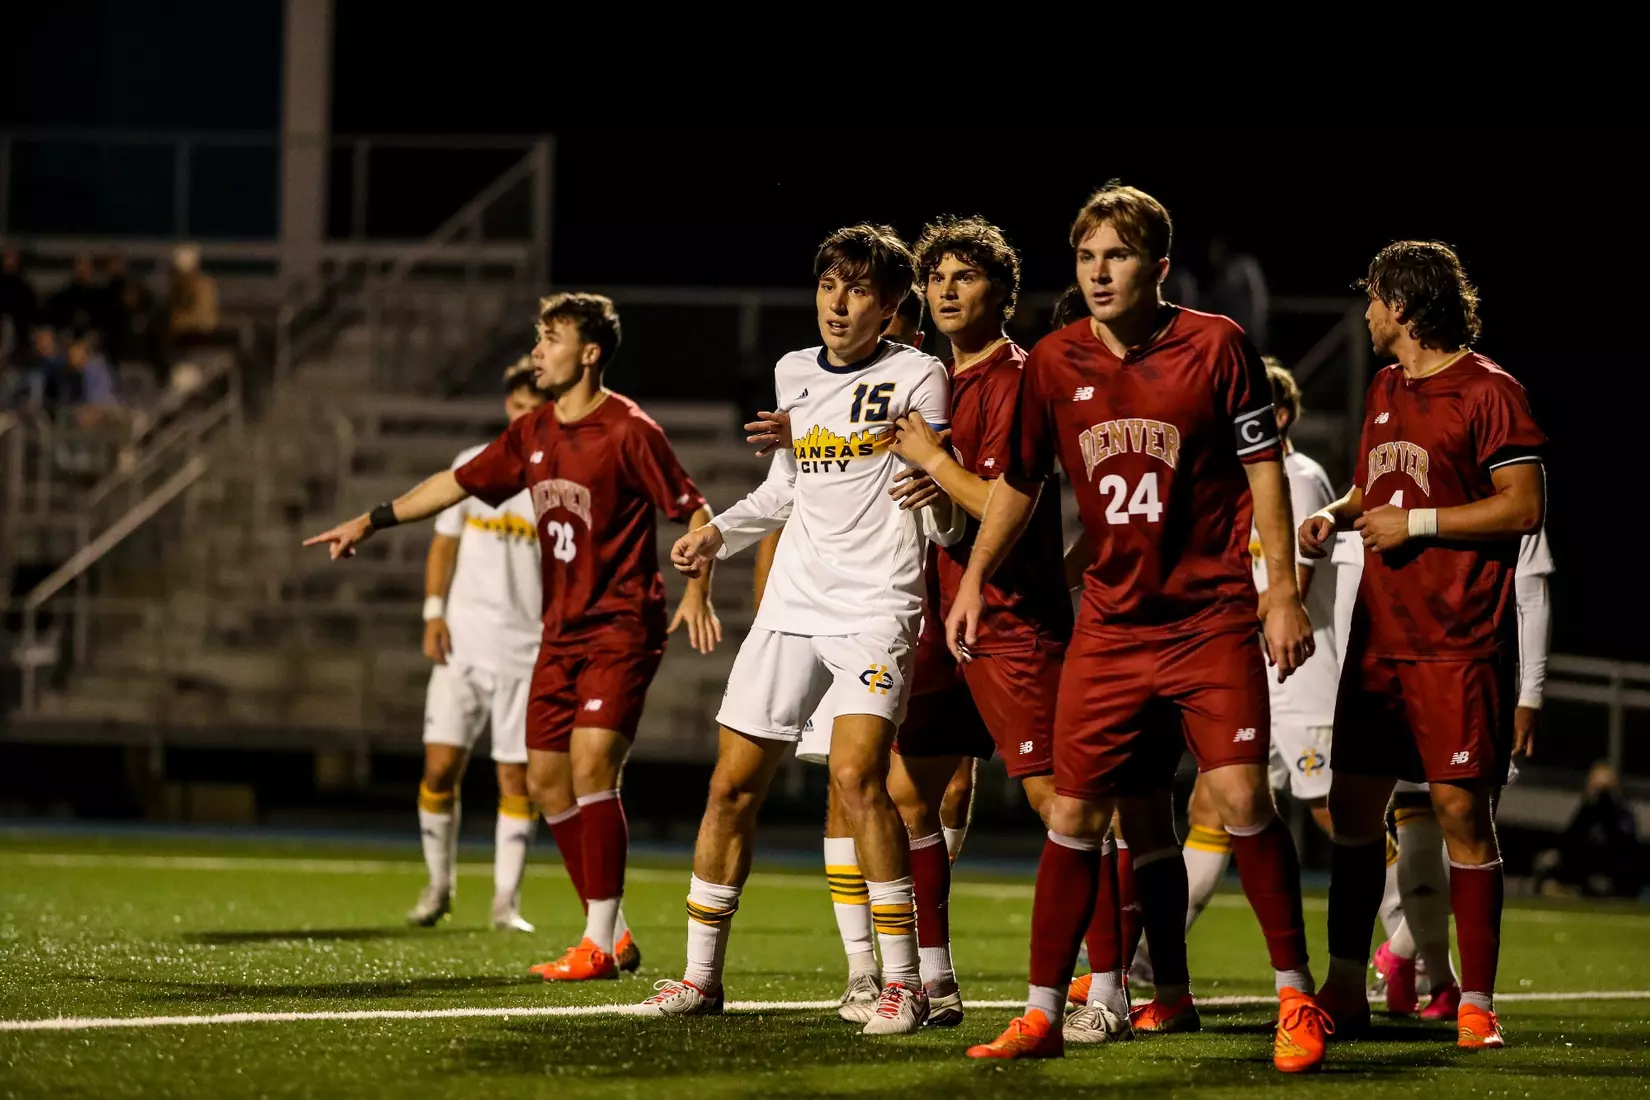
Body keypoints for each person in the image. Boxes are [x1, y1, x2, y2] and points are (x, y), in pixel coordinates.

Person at [951, 183, 1329, 1072]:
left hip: (1207, 621)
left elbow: (1264, 470)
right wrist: (975, 578)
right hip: (1111, 628)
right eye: (1086, 258)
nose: (1098, 273)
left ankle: (1297, 997)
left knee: (1241, 801)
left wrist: (1280, 592)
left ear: (1158, 267)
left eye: (1116, 256)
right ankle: (1043, 1012)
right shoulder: (1051, 360)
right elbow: (1020, 484)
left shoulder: (1217, 344)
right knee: (1075, 814)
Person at [304, 293, 721, 981]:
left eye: (551, 338)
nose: (537, 350)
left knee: (591, 768)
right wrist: (373, 520)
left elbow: (693, 509)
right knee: (545, 781)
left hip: (621, 625)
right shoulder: (533, 434)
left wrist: (698, 587)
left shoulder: (628, 430)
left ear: (589, 353)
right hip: (556, 635)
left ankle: (594, 945)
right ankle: (611, 932)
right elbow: (455, 483)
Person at [642, 224, 956, 1035]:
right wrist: (719, 533)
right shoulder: (791, 372)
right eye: (829, 286)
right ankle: (701, 978)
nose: (838, 304)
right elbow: (786, 490)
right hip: (792, 604)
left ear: (891, 307)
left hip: (877, 604)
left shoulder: (919, 373)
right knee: (730, 786)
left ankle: (902, 984)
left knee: (858, 779)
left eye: (858, 291)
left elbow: (931, 481)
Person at [1301, 240, 1546, 1051]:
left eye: (1373, 298)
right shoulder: (1382, 386)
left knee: (1459, 812)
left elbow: (1522, 508)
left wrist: (1422, 523)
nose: (1366, 311)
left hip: (1458, 643)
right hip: (1379, 640)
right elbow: (1378, 486)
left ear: (1401, 305)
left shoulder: (1491, 391)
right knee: (1351, 813)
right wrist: (1336, 514)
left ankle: (1475, 1001)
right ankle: (1344, 985)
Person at [746, 287, 965, 1025]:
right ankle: (866, 972)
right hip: (821, 609)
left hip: (914, 607)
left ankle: (929, 973)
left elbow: (948, 507)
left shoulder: (935, 379)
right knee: (850, 787)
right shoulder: (806, 381)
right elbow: (789, 497)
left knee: (916, 791)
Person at [1369, 524, 1557, 1020]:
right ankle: (1440, 981)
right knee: (1416, 840)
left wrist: (1530, 695)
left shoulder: (1508, 485)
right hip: (1404, 673)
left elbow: (1532, 596)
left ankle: (1417, 961)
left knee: (1467, 832)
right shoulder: (1393, 463)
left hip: (1476, 680)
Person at [405, 360, 548, 933]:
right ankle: (439, 885)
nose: (521, 416)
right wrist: (433, 612)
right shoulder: (474, 465)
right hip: (463, 643)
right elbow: (443, 545)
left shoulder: (558, 480)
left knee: (517, 780)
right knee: (440, 768)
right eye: (515, 406)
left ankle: (503, 904)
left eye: (532, 407)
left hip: (527, 649)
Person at [1532, 761, 1641, 899]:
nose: (1600, 793)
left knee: (1600, 884)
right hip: (1580, 871)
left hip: (1608, 874)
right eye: (1596, 785)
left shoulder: (1622, 816)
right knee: (1547, 867)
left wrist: (1608, 807)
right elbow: (1571, 841)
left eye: (1604, 788)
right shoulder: (1585, 812)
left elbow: (1624, 852)